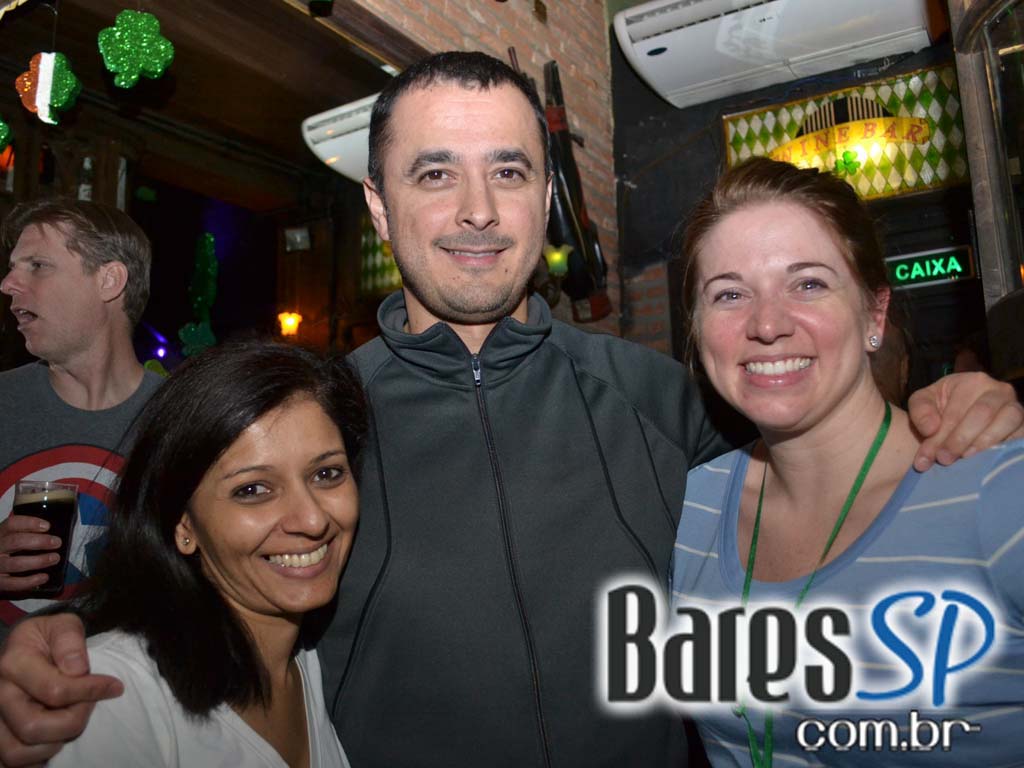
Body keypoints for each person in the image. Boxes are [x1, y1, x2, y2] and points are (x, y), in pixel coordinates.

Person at [1, 53, 1022, 768]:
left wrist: (946, 406)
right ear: (378, 205)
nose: (478, 212)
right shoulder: (315, 421)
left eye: (509, 172)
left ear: (545, 201)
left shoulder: (664, 399)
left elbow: (827, 457)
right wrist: (63, 641)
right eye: (434, 174)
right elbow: (192, 585)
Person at [670, 157, 1024, 765]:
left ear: (873, 314)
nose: (767, 324)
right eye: (729, 294)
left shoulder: (996, 492)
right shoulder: (686, 512)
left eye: (808, 284)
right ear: (699, 333)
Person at [52, 339, 363, 767]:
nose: (312, 520)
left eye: (326, 473)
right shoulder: (114, 696)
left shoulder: (308, 662)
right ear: (184, 525)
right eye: (253, 490)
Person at [0, 199, 162, 629]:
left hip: (134, 669)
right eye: (12, 268)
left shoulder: (182, 418)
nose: (7, 284)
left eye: (37, 266)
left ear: (109, 281)